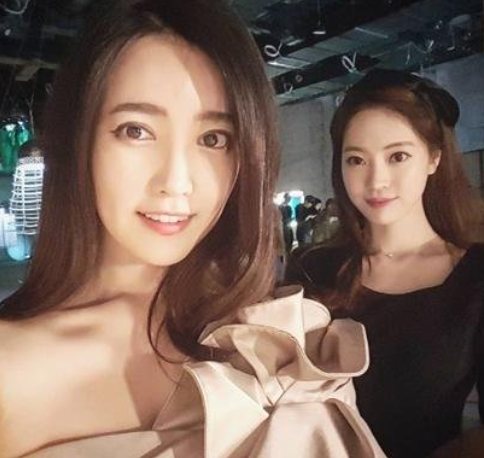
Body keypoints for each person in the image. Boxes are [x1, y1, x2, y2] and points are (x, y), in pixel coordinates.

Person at [0, 1, 385, 457]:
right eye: (136, 131)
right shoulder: (11, 366)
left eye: (213, 139)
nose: (177, 182)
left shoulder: (265, 334)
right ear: (78, 139)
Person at [286, 68, 484, 458]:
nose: (376, 180)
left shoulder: (475, 277)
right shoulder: (311, 268)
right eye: (356, 160)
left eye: (397, 156)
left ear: (434, 157)